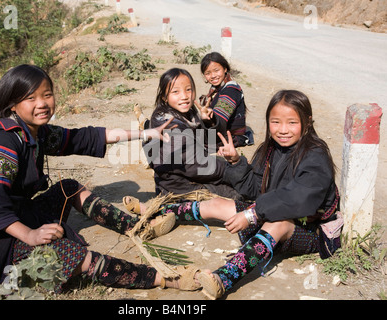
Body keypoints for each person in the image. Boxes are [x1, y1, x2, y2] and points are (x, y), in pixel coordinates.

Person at [0, 64, 201, 294]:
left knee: (69, 188)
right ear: (13, 104)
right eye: (31, 98)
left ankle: (138, 228)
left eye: (47, 95)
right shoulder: (2, 143)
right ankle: (167, 279)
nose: (42, 103)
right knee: (73, 255)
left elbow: (83, 138)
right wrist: (30, 234)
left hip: (17, 213)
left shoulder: (33, 132)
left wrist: (145, 133)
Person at [132, 90, 343, 299]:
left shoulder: (315, 154)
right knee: (216, 204)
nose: (283, 130)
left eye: (292, 123)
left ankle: (224, 278)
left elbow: (300, 198)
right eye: (275, 122)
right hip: (270, 211)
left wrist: (252, 215)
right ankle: (158, 211)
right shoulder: (270, 149)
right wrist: (236, 162)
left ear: (307, 121)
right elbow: (255, 189)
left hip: (308, 228)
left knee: (278, 224)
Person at [137, 67, 241, 200]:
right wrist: (229, 170)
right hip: (179, 186)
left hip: (186, 173)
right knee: (235, 194)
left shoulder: (187, 113)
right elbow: (195, 165)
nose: (185, 96)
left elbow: (202, 140)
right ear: (164, 97)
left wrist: (207, 121)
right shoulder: (170, 126)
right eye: (176, 92)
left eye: (188, 90)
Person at [198, 52, 253, 149]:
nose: (213, 76)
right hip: (219, 132)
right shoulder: (216, 89)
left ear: (225, 69)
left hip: (230, 137)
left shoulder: (231, 90)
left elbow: (220, 120)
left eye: (216, 70)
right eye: (208, 73)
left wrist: (209, 118)